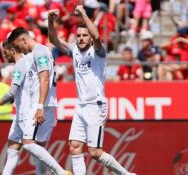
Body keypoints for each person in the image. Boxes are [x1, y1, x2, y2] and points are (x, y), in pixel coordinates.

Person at [48, 6, 136, 175]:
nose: (81, 39)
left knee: (94, 152)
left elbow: (96, 36)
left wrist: (83, 14)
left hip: (96, 106)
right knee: (74, 147)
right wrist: (51, 22)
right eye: (79, 36)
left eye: (84, 36)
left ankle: (126, 174)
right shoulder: (74, 50)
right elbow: (54, 40)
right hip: (81, 106)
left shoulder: (98, 51)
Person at [4, 27, 71, 175]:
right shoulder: (36, 53)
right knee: (39, 147)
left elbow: (45, 79)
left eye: (17, 45)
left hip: (41, 103)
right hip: (45, 103)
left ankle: (60, 172)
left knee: (28, 144)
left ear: (23, 39)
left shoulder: (39, 51)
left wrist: (40, 107)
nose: (18, 49)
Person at [0, 40, 41, 174]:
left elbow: (11, 92)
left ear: (12, 51)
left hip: (25, 114)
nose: (4, 56)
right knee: (12, 149)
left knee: (31, 146)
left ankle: (59, 171)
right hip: (20, 114)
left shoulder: (20, 65)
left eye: (5, 53)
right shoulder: (25, 63)